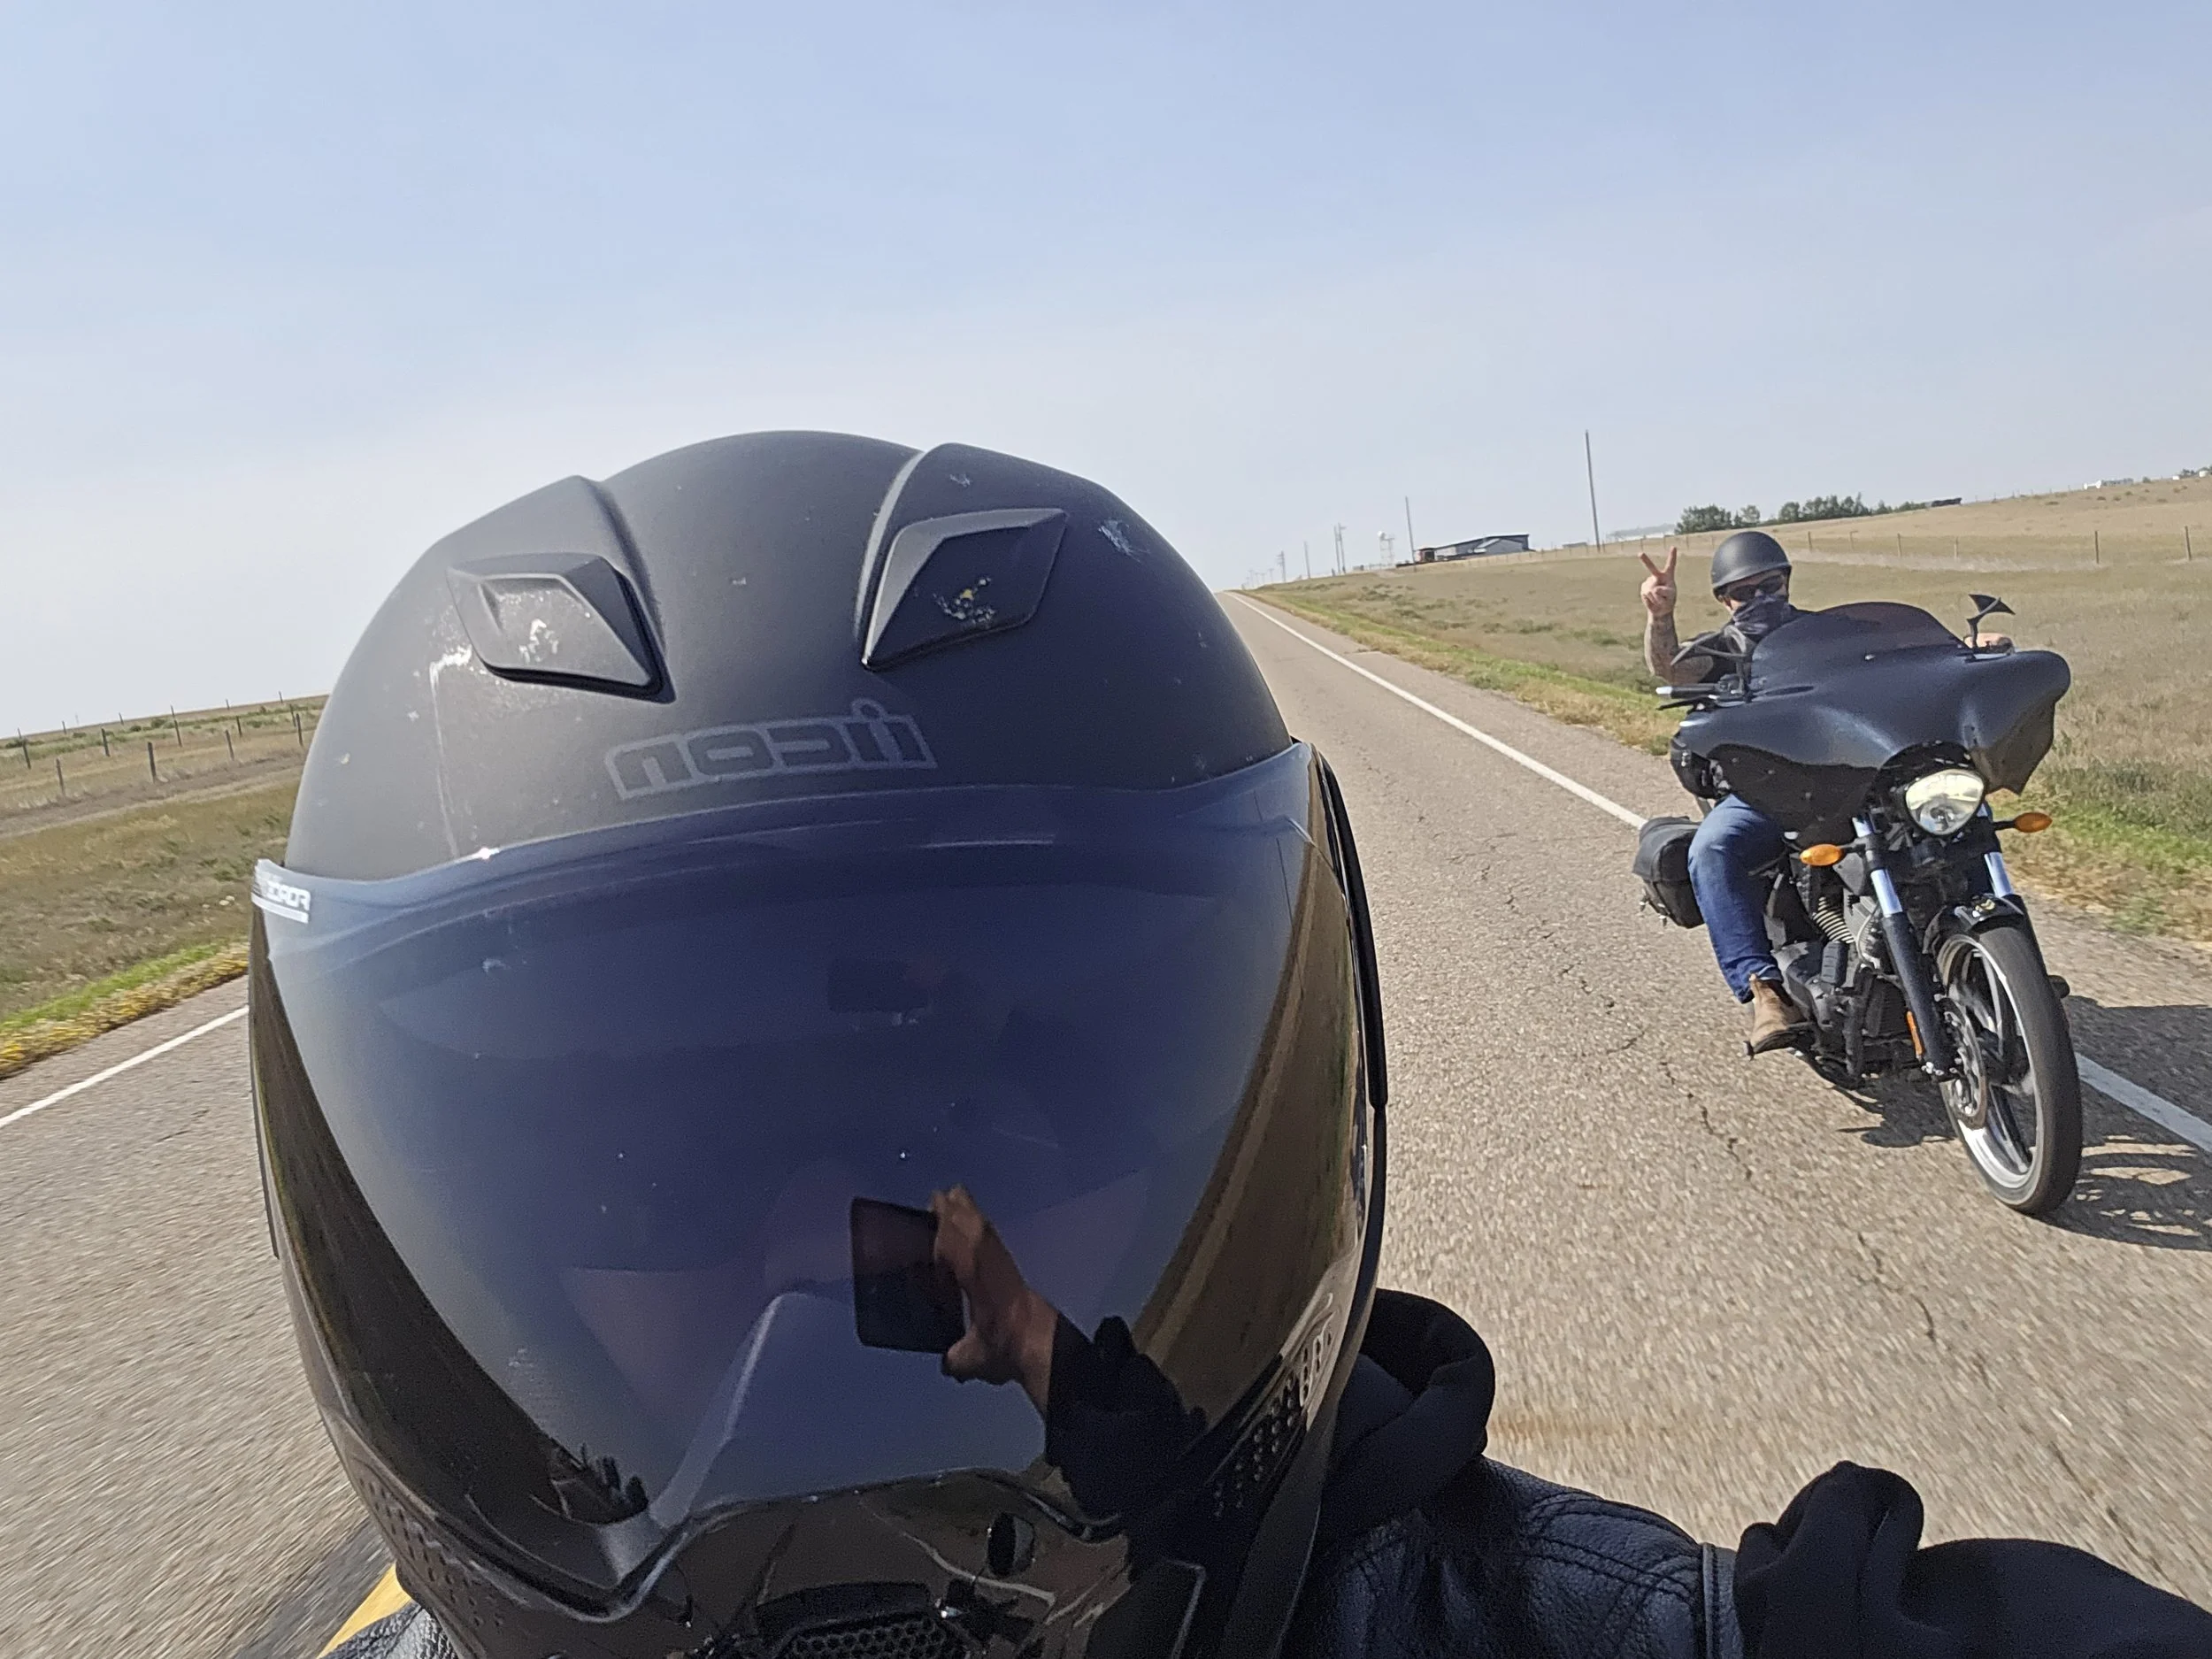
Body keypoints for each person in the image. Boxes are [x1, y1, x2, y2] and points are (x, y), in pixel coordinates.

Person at [267, 434, 2208, 1659]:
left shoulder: (1541, 1618)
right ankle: (1759, 982)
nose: (824, 1295)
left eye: (990, 1122)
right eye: (670, 1161)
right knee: (1713, 852)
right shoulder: (1703, 646)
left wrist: (1080, 1387)